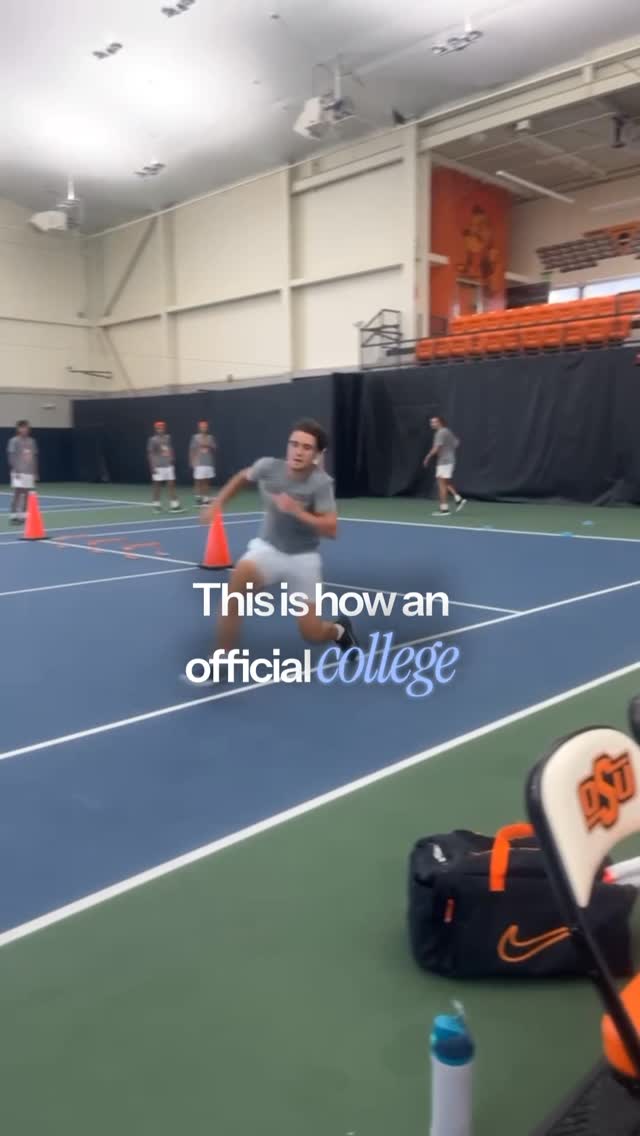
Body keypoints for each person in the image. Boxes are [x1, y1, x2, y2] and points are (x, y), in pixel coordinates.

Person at [201, 418, 359, 679]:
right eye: (294, 444)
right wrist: (218, 503)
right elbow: (242, 477)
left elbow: (332, 529)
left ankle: (340, 631)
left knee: (312, 634)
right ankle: (221, 661)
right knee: (234, 591)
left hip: (303, 559)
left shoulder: (321, 483)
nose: (298, 451)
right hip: (268, 549)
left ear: (317, 454)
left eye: (307, 447)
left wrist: (297, 511)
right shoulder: (268, 467)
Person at [423, 415, 466, 516]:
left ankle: (444, 510)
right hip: (449, 461)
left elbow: (436, 448)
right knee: (444, 482)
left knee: (441, 485)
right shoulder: (448, 431)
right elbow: (457, 443)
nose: (432, 424)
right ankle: (458, 499)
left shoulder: (440, 433)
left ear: (440, 422)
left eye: (434, 422)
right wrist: (448, 449)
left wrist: (427, 457)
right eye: (431, 422)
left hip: (444, 462)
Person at [7, 420, 38, 524]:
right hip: (18, 472)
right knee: (17, 493)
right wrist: (16, 470)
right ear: (18, 429)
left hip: (29, 472)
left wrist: (35, 472)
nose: (25, 429)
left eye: (27, 427)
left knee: (26, 495)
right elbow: (11, 457)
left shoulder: (32, 441)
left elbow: (34, 457)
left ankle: (23, 516)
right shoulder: (13, 441)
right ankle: (13, 516)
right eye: (23, 427)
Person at [147, 421, 181, 511]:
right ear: (156, 429)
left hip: (168, 466)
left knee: (171, 485)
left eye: (162, 428)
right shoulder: (153, 440)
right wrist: (152, 467)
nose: (160, 429)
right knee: (157, 486)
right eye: (158, 428)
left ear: (164, 428)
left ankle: (175, 505)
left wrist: (172, 458)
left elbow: (170, 449)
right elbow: (151, 454)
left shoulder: (168, 438)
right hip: (158, 467)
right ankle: (156, 505)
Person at [189, 420, 216, 504]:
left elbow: (214, 449)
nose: (204, 428)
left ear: (207, 428)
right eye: (202, 427)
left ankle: (206, 498)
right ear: (199, 428)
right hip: (198, 463)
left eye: (205, 427)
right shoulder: (195, 437)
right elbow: (191, 450)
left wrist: (209, 445)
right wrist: (192, 461)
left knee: (206, 481)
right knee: (198, 481)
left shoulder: (210, 438)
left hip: (208, 463)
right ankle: (198, 498)